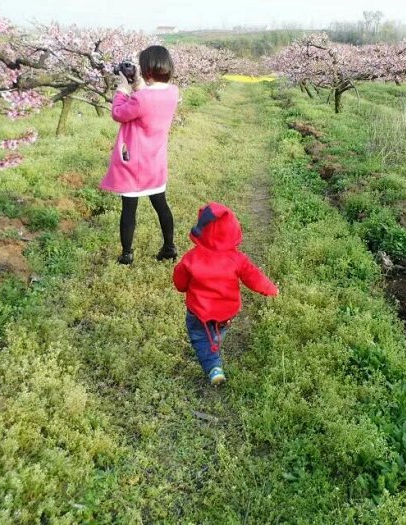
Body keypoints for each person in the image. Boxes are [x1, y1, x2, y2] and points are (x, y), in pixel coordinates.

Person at [173, 203, 279, 385]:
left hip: (199, 313)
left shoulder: (191, 258)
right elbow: (255, 278)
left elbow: (180, 282)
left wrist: (184, 287)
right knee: (216, 333)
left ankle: (213, 366)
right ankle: (215, 343)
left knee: (199, 338)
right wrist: (271, 289)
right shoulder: (237, 259)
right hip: (226, 312)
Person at [99, 45, 179, 265]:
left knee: (129, 209)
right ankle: (169, 247)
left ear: (145, 69)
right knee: (161, 205)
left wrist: (123, 90)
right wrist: (139, 85)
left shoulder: (140, 98)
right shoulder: (173, 92)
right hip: (156, 161)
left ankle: (127, 254)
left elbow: (119, 114)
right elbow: (150, 96)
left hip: (133, 162)